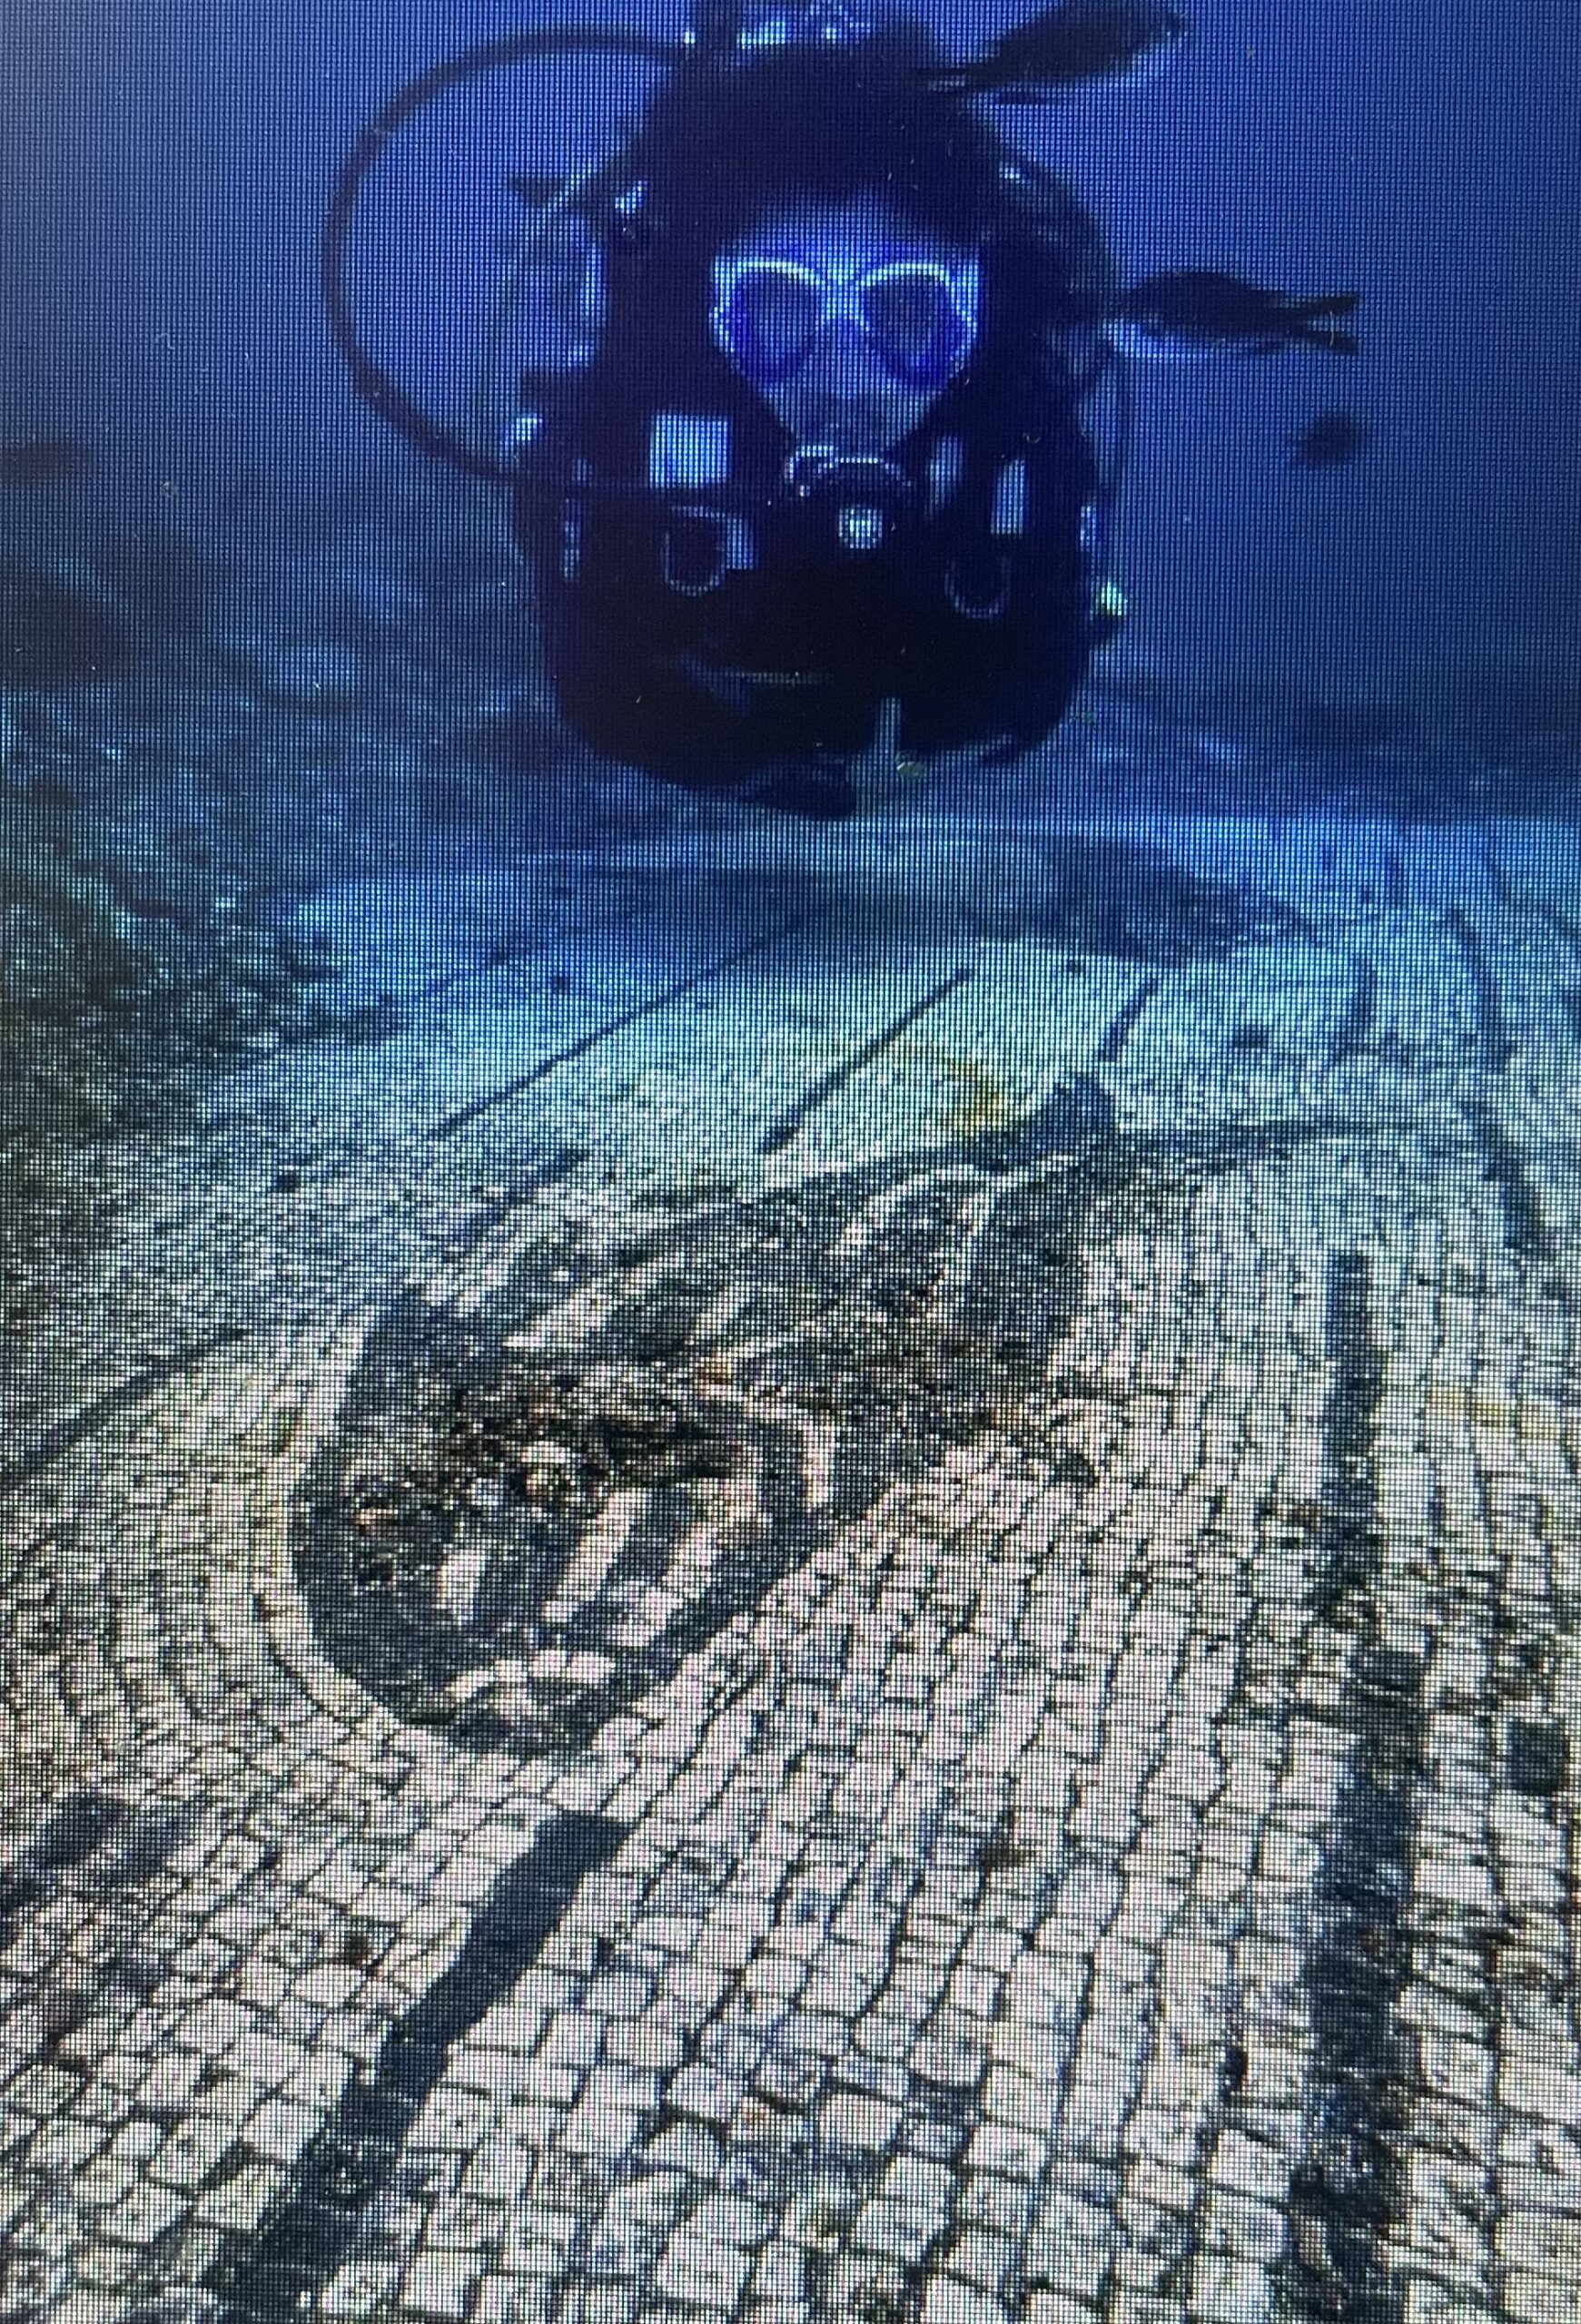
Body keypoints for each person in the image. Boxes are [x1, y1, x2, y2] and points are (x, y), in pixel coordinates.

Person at [511, 3, 1121, 816]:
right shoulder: (636, 435)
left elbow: (1031, 688)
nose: (841, 380)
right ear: (714, 312)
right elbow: (599, 691)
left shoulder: (1017, 445)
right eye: (780, 306)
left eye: (904, 309)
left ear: (974, 314)